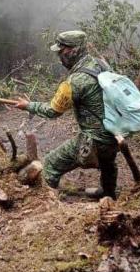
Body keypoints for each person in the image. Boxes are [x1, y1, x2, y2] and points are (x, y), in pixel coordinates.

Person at [14, 31, 119, 199]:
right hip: (115, 133)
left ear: (73, 51)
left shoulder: (75, 81)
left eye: (61, 52)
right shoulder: (100, 64)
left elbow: (52, 111)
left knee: (50, 164)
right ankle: (108, 192)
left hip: (95, 140)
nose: (59, 57)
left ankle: (46, 202)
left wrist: (29, 106)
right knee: (108, 163)